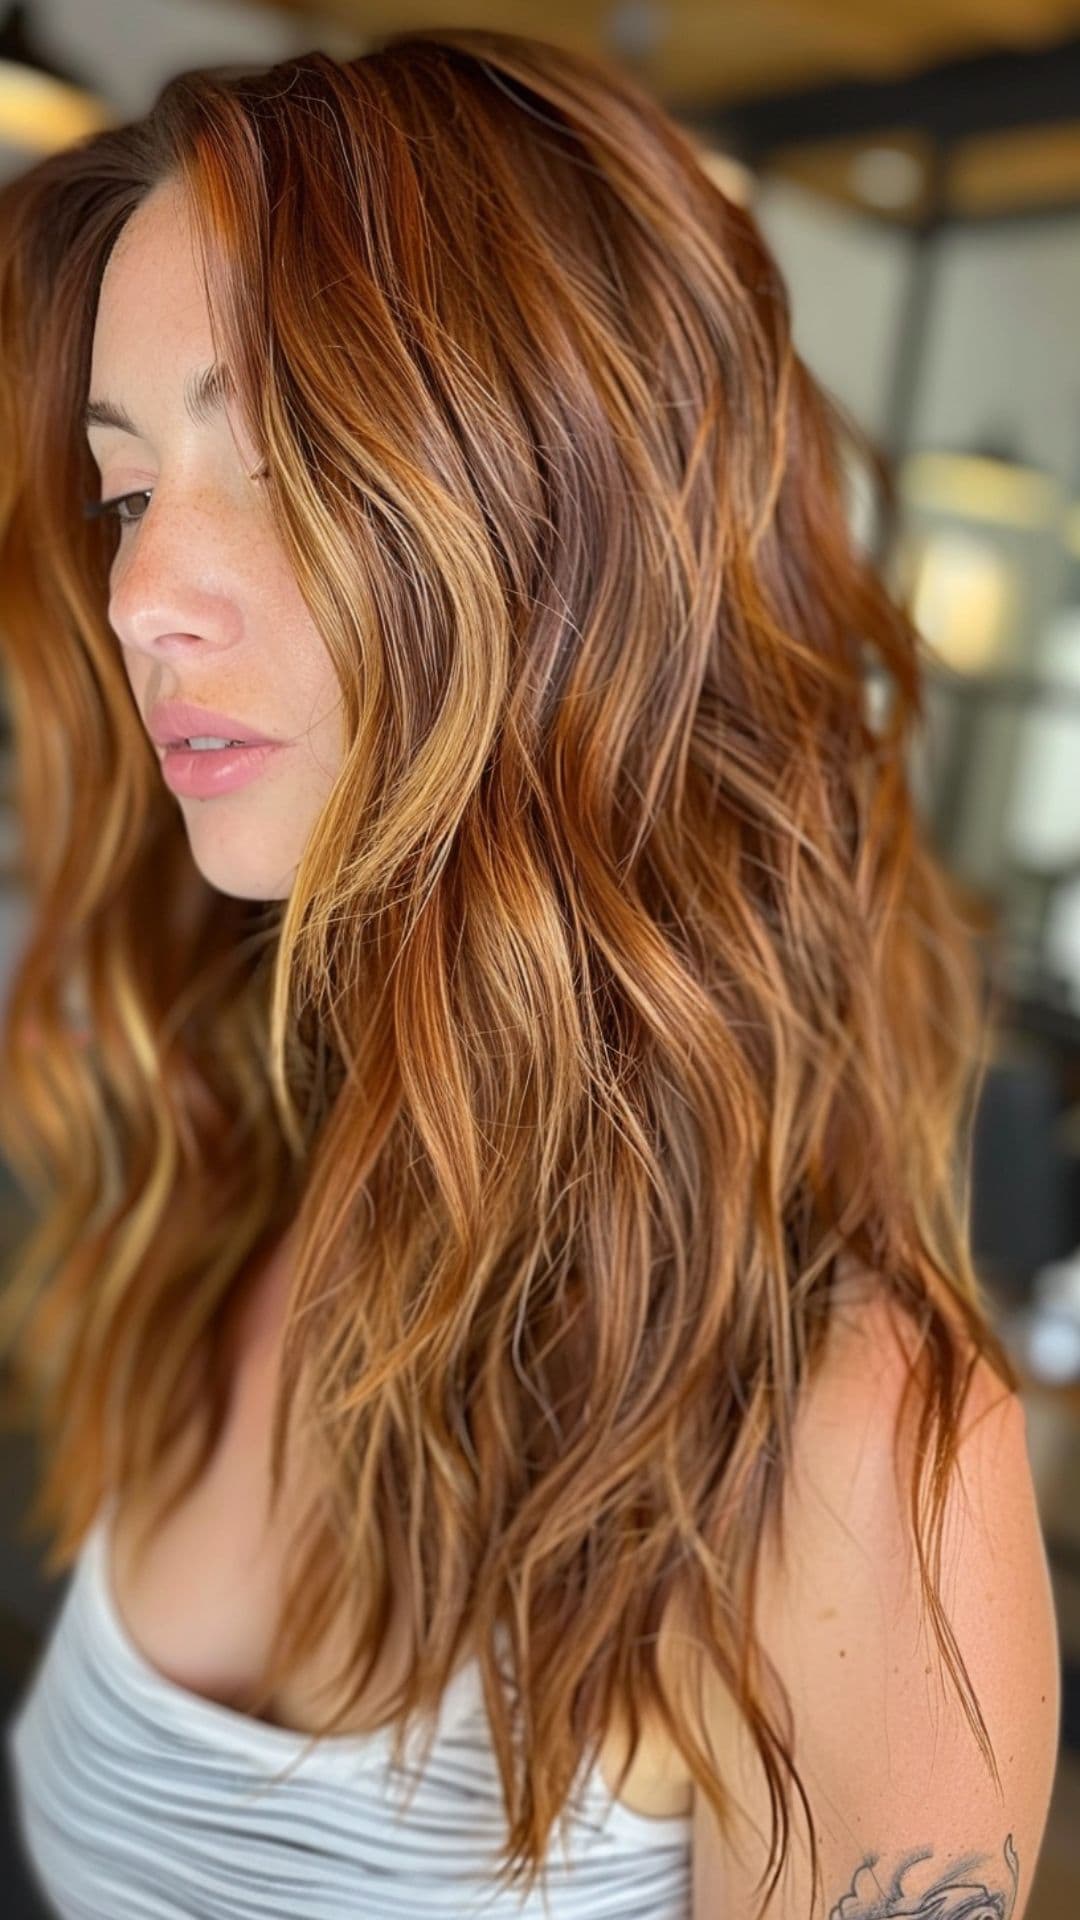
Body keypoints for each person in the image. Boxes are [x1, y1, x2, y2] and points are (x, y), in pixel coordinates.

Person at [0, 26, 1060, 1920]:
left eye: (291, 451)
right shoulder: (227, 1190)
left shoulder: (844, 1455)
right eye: (126, 491)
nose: (141, 593)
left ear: (570, 523)